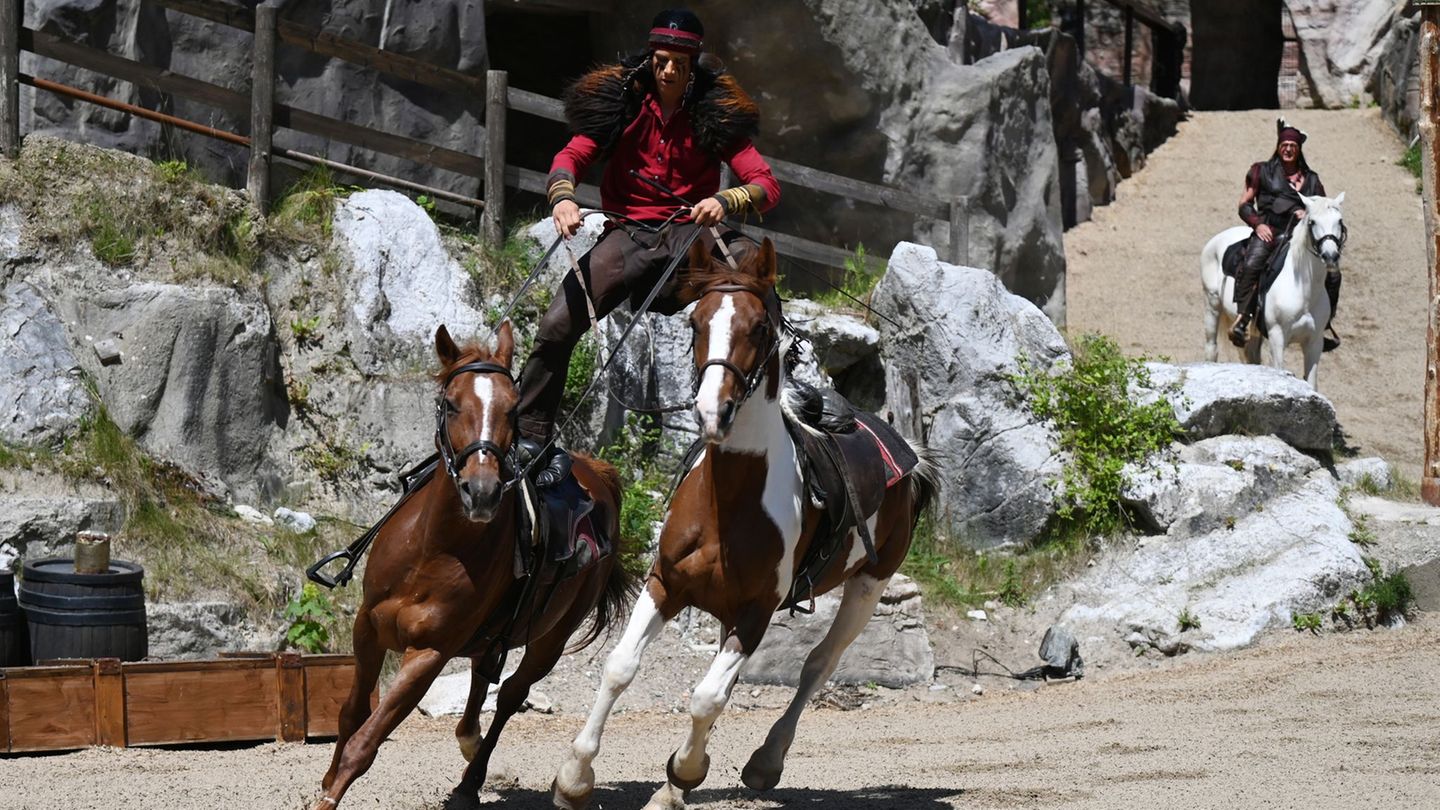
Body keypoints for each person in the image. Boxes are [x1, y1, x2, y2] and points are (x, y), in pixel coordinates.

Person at [515, 8, 781, 482]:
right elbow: (571, 156)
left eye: (680, 62)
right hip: (629, 233)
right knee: (557, 322)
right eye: (662, 60)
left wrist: (726, 200)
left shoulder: (712, 111)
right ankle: (530, 435)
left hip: (691, 230)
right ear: (650, 58)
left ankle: (777, 394)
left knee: (754, 269)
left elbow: (765, 183)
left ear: (693, 64)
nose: (669, 70)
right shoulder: (622, 102)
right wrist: (563, 198)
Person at [1230, 119, 1340, 350]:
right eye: (1284, 145)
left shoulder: (1312, 179)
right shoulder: (1261, 171)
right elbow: (1244, 204)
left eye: (1293, 145)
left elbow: (1322, 208)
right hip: (1269, 231)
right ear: (1278, 147)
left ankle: (1324, 324)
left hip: (1300, 237)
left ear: (1299, 149)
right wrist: (1257, 225)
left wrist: (1308, 214)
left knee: (1333, 274)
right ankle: (1244, 318)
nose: (1288, 149)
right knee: (1252, 263)